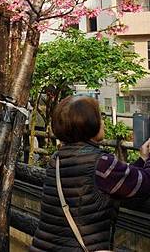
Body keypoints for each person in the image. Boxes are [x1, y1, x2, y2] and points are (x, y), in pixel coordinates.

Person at [30, 96, 150, 252]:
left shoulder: (57, 158)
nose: (103, 122)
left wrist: (142, 159)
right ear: (89, 124)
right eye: (100, 117)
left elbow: (120, 179)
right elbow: (145, 183)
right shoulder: (101, 163)